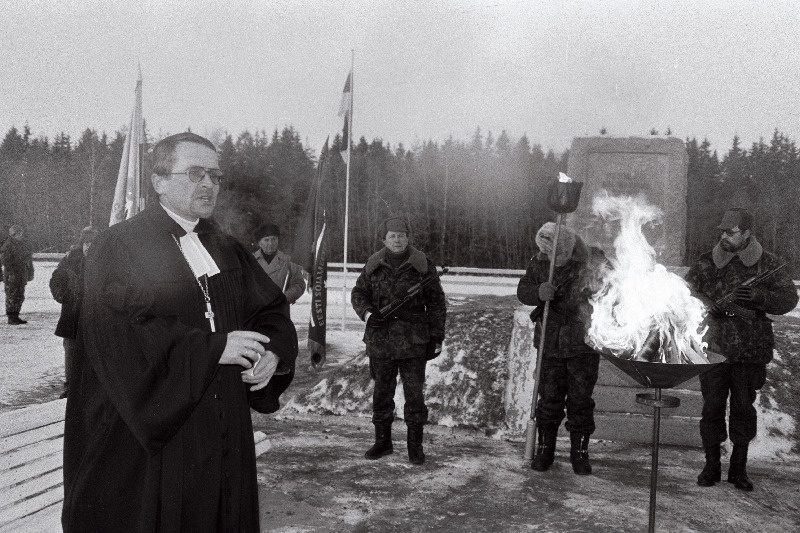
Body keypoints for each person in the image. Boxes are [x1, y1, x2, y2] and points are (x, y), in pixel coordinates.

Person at [62, 132, 298, 532]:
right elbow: (121, 336)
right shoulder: (118, 246)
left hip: (223, 430)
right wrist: (212, 348)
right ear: (158, 181)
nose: (208, 184)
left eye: (215, 175)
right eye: (194, 173)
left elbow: (270, 309)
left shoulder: (225, 247)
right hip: (152, 440)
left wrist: (272, 353)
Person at [686, 208, 797, 492]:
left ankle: (739, 468)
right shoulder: (706, 262)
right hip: (713, 347)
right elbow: (685, 291)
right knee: (711, 408)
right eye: (722, 231)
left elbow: (787, 300)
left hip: (750, 349)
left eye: (731, 232)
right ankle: (711, 466)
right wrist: (706, 304)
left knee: (743, 409)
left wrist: (761, 297)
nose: (724, 236)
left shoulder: (768, 264)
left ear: (747, 234)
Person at [351, 216, 447, 465]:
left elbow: (436, 303)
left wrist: (436, 336)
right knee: (382, 393)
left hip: (413, 341)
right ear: (384, 239)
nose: (397, 239)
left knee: (414, 395)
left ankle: (415, 446)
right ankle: (383, 442)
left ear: (408, 238)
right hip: (380, 340)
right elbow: (359, 293)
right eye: (392, 235)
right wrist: (368, 314)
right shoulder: (374, 263)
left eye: (402, 235)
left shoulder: (423, 264)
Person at [517, 222, 607, 475]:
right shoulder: (539, 263)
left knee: (580, 402)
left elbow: (608, 290)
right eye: (548, 252)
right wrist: (538, 292)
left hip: (582, 346)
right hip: (550, 344)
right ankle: (545, 450)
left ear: (568, 250)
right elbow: (523, 290)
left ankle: (580, 454)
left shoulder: (588, 264)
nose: (552, 258)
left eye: (558, 253)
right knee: (548, 401)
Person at [49, 226, 99, 398]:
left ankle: (91, 387)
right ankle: (70, 386)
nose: (88, 247)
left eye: (92, 243)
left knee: (94, 352)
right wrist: (61, 295)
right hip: (72, 316)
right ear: (81, 243)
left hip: (95, 317)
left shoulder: (104, 261)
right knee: (71, 351)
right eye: (86, 243)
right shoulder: (70, 260)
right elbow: (56, 278)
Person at [253, 223, 306, 304]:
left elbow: (298, 284)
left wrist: (285, 298)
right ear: (259, 243)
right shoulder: (249, 261)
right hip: (255, 310)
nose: (271, 243)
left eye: (274, 239)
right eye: (266, 240)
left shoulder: (289, 261)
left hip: (279, 310)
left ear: (278, 240)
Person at [0, 224, 34, 325]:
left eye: (21, 233)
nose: (21, 235)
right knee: (12, 296)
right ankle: (11, 317)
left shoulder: (22, 244)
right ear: (13, 234)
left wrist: (29, 271)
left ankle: (16, 315)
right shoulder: (8, 245)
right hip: (12, 275)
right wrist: (16, 264)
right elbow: (5, 260)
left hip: (21, 274)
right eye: (18, 233)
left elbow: (28, 259)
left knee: (20, 295)